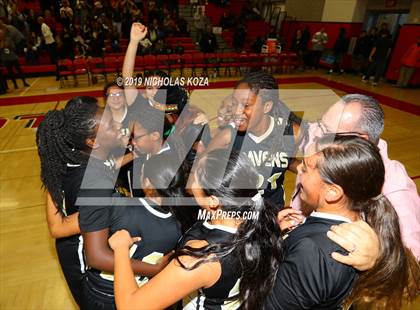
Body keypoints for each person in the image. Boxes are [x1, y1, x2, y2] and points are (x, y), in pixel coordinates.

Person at [108, 149, 297, 309]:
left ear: (213, 201)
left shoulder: (201, 259)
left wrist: (121, 250)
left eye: (197, 174)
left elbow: (129, 305)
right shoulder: (258, 220)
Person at [266, 135, 419, 309]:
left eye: (306, 168)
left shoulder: (312, 251)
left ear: (332, 193)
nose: (298, 167)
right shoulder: (369, 224)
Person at [292, 94, 420, 259]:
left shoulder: (394, 191)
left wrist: (374, 261)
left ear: (360, 140)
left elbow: (412, 264)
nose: (316, 136)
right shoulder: (324, 142)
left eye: (327, 132)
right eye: (320, 125)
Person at [36, 96, 120, 306]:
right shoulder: (92, 180)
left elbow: (57, 225)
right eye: (111, 125)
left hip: (69, 249)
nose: (118, 125)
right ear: (93, 141)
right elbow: (59, 228)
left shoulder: (68, 160)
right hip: (82, 258)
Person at [81, 152, 189, 309]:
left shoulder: (120, 206)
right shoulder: (177, 227)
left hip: (101, 291)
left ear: (147, 183)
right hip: (136, 292)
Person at [207, 71, 302, 210]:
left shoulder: (291, 133)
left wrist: (305, 169)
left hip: (273, 213)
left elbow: (287, 159)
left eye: (245, 105)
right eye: (234, 104)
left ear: (267, 106)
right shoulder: (227, 137)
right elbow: (198, 178)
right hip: (238, 215)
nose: (237, 112)